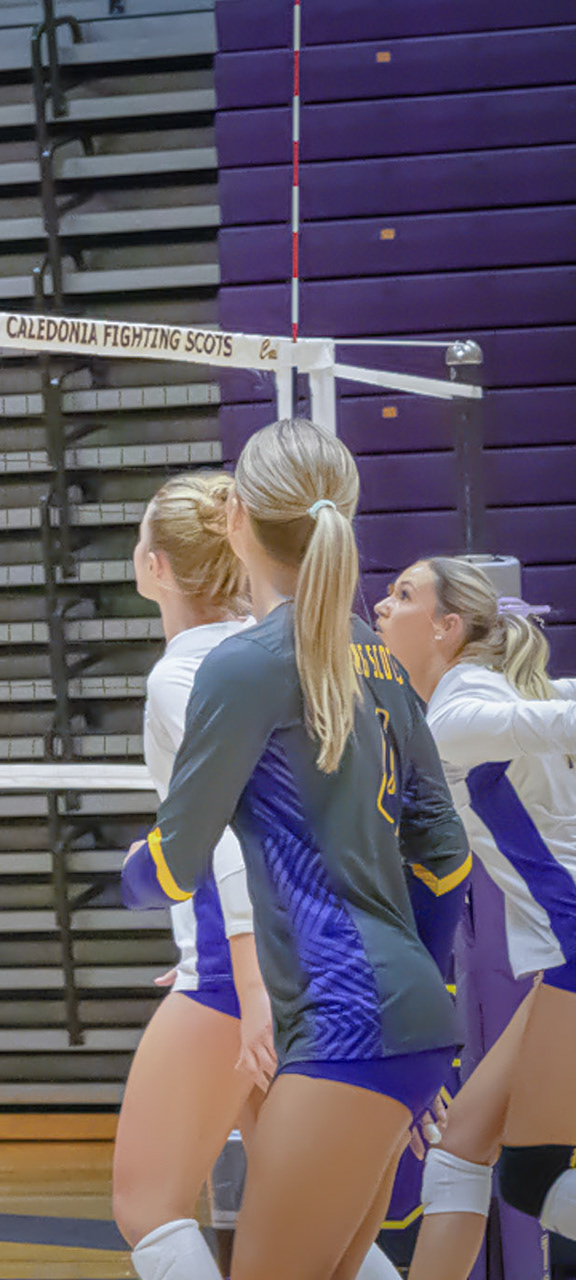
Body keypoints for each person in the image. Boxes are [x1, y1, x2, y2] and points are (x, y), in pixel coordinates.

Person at [118, 419, 472, 1280]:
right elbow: (448, 859)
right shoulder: (373, 656)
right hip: (402, 1013)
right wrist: (419, 999)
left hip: (347, 1017)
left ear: (238, 514)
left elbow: (175, 862)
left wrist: (127, 872)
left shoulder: (242, 667)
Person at [374, 557, 576, 1271]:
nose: (380, 605)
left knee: (536, 1175)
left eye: (403, 595)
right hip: (565, 948)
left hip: (574, 941)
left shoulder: (457, 712)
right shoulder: (471, 697)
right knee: (461, 1146)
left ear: (446, 627)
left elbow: (553, 717)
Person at [110, 474, 276, 1266]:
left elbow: (235, 841)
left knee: (148, 1206)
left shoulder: (181, 676)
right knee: (307, 1226)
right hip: (309, 956)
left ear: (156, 567)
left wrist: (244, 987)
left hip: (239, 974)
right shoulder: (271, 652)